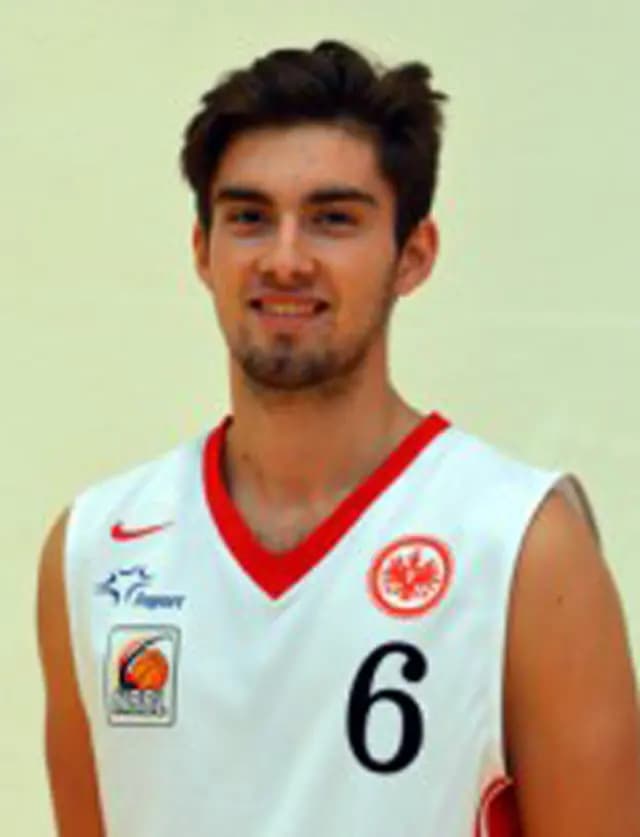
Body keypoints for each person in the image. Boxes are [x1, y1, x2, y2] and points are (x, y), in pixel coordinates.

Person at [37, 39, 640, 837]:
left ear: (413, 256)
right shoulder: (95, 549)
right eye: (249, 218)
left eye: (332, 219)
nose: (285, 259)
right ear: (203, 251)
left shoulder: (523, 546)